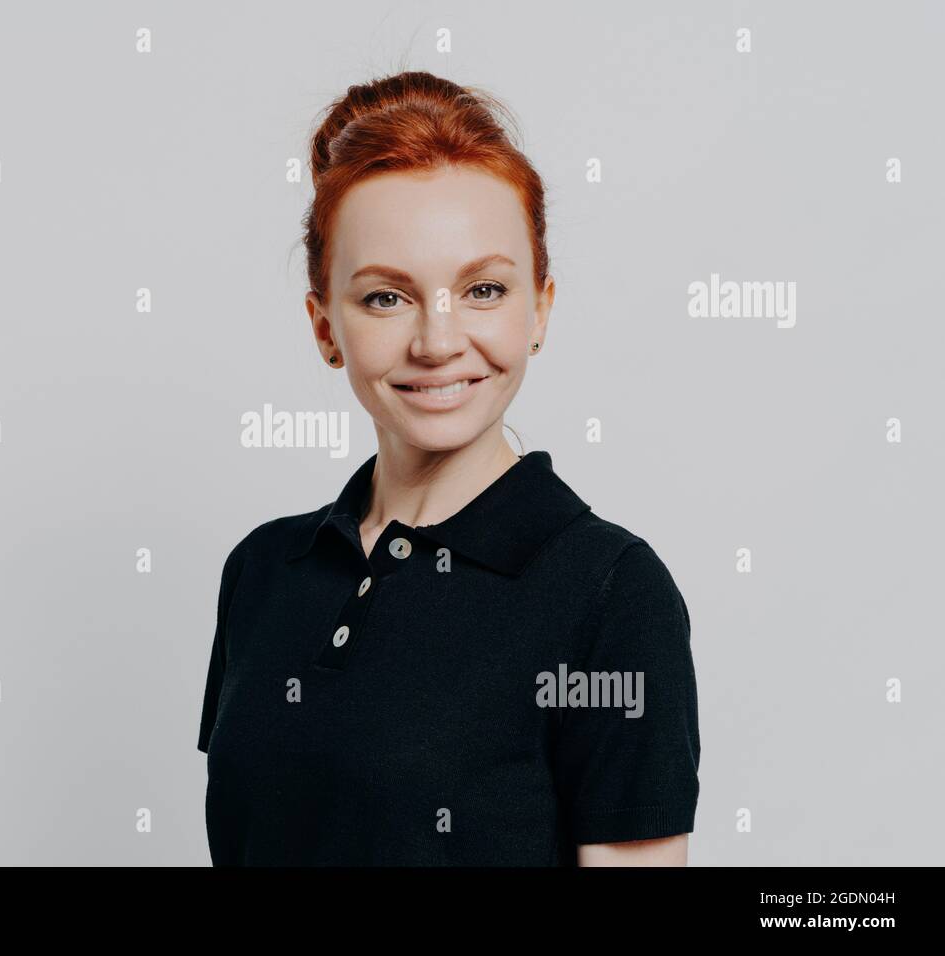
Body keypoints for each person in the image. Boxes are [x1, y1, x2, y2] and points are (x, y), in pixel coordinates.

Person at [197, 70, 700, 866]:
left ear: (541, 309)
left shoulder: (611, 594)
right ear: (324, 326)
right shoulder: (262, 571)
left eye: (484, 289)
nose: (437, 342)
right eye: (385, 298)